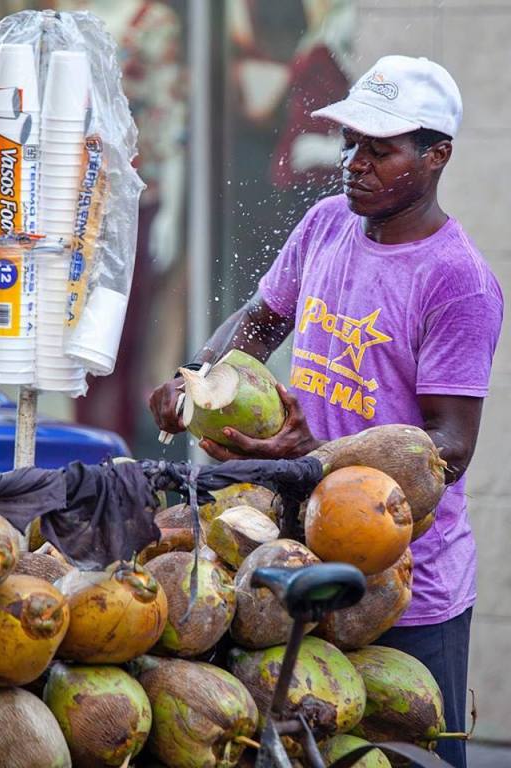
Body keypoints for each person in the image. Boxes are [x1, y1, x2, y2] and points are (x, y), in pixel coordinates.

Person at [149, 55, 503, 768]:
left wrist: (316, 459)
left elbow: (449, 449)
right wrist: (196, 381)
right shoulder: (325, 224)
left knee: (403, 757)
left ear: (437, 156)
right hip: (297, 560)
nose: (355, 163)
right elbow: (258, 321)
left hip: (402, 587)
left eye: (380, 149)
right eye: (350, 143)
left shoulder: (457, 281)